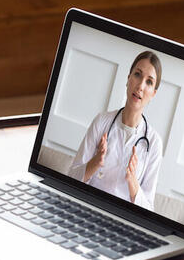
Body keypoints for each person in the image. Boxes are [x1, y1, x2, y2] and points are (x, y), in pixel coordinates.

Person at [67, 51, 164, 210]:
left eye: (149, 82)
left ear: (153, 93)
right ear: (128, 79)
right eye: (137, 75)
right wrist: (95, 162)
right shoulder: (102, 121)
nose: (140, 86)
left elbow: (148, 210)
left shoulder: (154, 143)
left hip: (122, 220)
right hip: (87, 207)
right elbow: (70, 178)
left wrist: (133, 183)